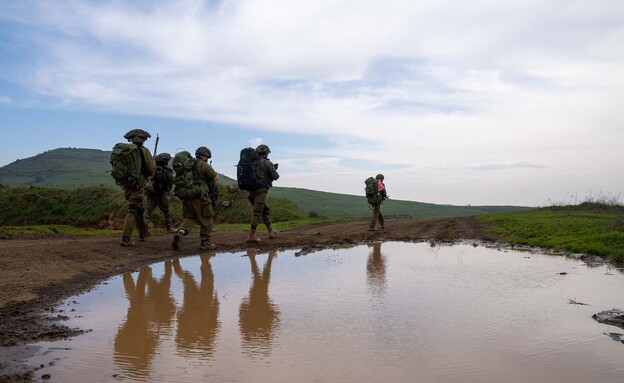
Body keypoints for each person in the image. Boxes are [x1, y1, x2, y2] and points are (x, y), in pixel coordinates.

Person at [171, 146, 220, 250]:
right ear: (205, 156)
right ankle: (205, 242)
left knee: (189, 217)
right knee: (207, 218)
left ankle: (181, 232)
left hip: (187, 197)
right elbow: (215, 177)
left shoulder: (188, 165)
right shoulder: (204, 165)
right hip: (200, 197)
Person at [120, 129, 155, 247]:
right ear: (143, 139)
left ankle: (143, 233)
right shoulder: (144, 151)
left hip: (127, 184)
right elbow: (150, 169)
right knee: (133, 209)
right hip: (138, 184)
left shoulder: (124, 151)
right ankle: (126, 238)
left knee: (138, 208)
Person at [246, 144, 280, 243]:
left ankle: (271, 232)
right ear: (266, 153)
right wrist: (272, 168)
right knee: (257, 212)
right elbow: (276, 176)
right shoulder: (267, 163)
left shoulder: (251, 163)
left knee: (265, 210)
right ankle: (251, 236)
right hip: (261, 191)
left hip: (251, 191)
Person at [144, 152, 176, 233]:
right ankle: (169, 228)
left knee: (147, 211)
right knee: (166, 210)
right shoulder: (166, 170)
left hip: (151, 193)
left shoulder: (151, 168)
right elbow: (173, 180)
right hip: (161, 194)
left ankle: (143, 229)